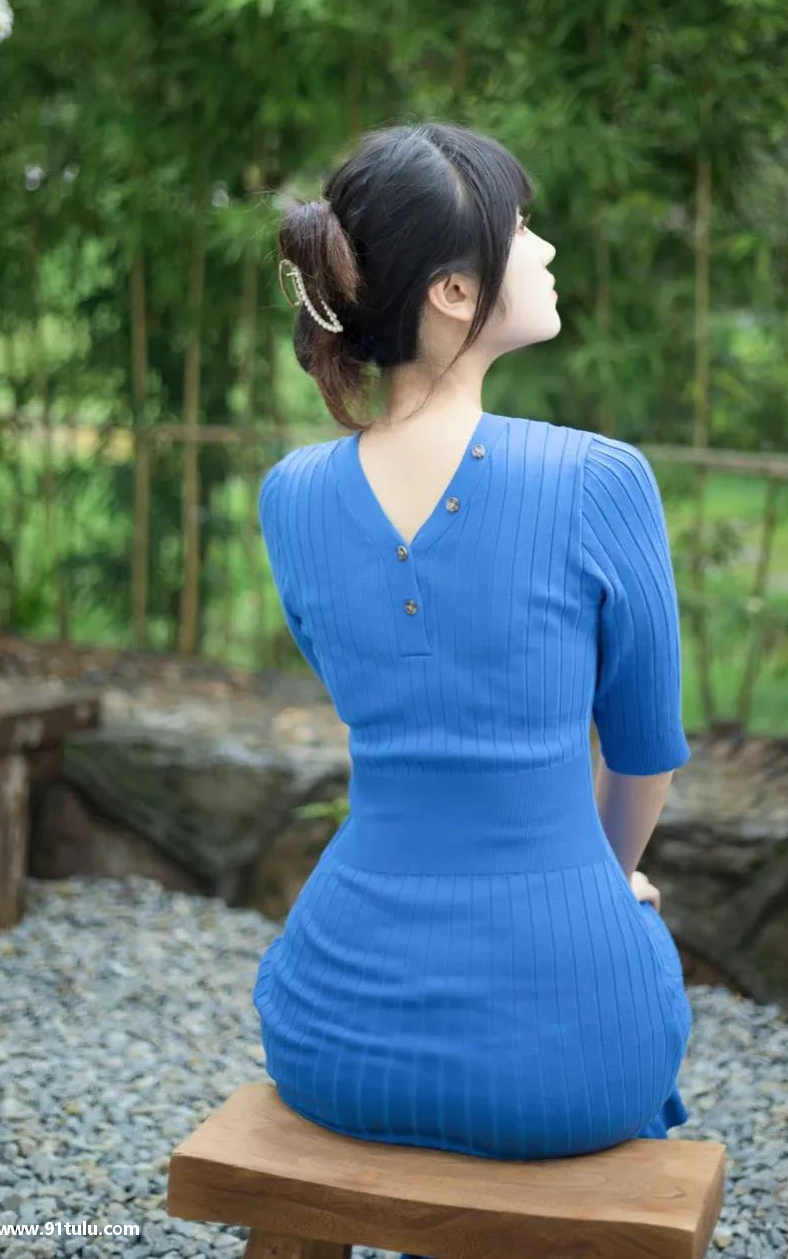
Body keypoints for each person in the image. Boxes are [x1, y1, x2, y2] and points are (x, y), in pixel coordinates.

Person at [251, 123, 692, 1256]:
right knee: (632, 944)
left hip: (330, 1030)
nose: (543, 249)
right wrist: (607, 884)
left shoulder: (291, 495)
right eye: (522, 228)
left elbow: (372, 693)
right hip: (574, 1063)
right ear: (454, 291)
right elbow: (644, 753)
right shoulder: (601, 481)